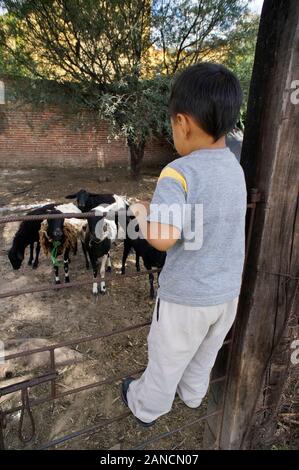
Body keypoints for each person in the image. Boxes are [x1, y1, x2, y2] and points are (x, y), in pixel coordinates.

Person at [121, 62, 247, 426]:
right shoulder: (234, 169)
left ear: (183, 122)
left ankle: (146, 407)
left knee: (166, 357)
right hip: (226, 295)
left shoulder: (179, 172)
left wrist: (142, 212)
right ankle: (193, 396)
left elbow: (162, 238)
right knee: (206, 353)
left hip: (184, 299)